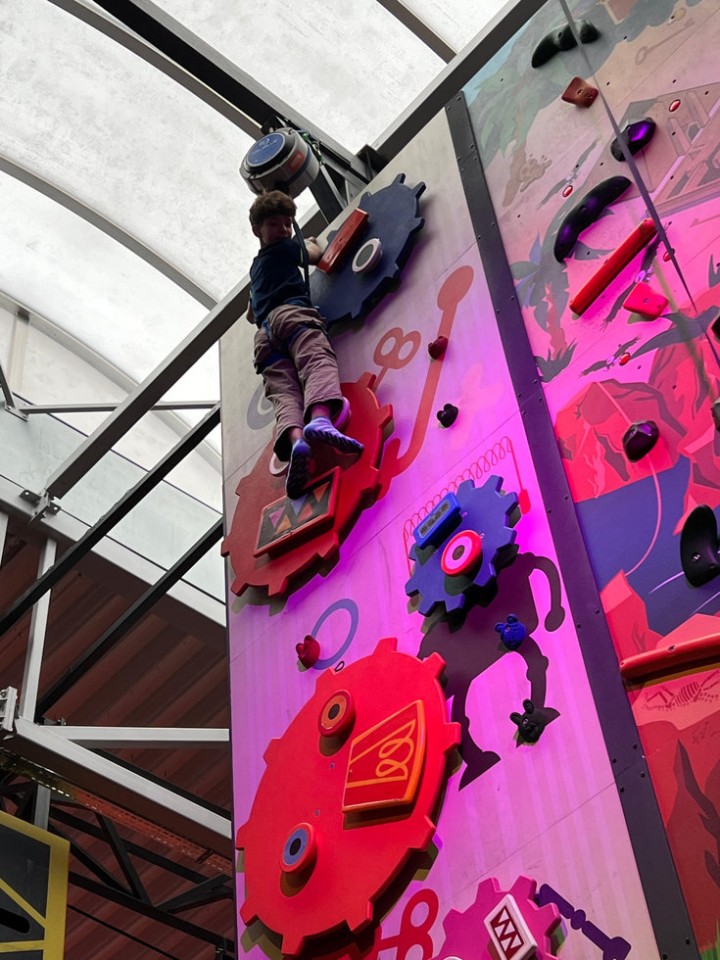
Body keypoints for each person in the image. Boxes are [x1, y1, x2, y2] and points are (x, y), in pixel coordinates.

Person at [247, 190, 363, 499]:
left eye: (287, 224)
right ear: (257, 230)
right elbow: (314, 254)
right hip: (292, 316)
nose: (284, 230)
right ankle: (321, 419)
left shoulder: (255, 269)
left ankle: (297, 440)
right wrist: (310, 241)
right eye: (275, 224)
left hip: (264, 337)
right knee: (316, 360)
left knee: (284, 393)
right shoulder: (285, 249)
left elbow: (249, 314)